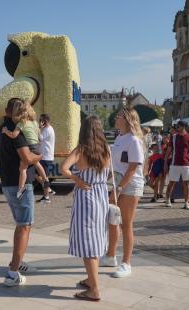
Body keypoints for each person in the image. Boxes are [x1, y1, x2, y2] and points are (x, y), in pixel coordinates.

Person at [60, 116, 110, 302]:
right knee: (96, 238)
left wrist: (77, 179)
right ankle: (91, 280)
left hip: (86, 195)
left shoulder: (81, 150)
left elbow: (63, 168)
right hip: (101, 195)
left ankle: (94, 289)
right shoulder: (106, 150)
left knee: (87, 241)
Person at [0, 98, 42, 287]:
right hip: (20, 184)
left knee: (22, 224)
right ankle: (12, 273)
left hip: (8, 182)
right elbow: (27, 157)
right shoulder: (18, 130)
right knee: (24, 226)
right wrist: (40, 155)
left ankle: (18, 263)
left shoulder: (2, 128)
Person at [102, 106, 145, 278]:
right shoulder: (120, 137)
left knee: (126, 224)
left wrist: (118, 189)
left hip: (129, 185)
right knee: (113, 220)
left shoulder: (133, 140)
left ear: (127, 119)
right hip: (116, 184)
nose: (116, 117)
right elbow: (116, 165)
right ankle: (111, 255)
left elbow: (133, 168)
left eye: (119, 115)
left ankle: (126, 263)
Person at [2, 100, 49, 199]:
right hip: (37, 147)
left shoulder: (21, 123)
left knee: (22, 168)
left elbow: (14, 135)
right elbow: (39, 136)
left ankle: (21, 189)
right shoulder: (34, 122)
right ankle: (45, 180)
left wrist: (6, 131)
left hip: (31, 148)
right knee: (37, 164)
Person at [164, 121, 189, 210]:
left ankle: (186, 202)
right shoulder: (173, 137)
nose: (176, 128)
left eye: (178, 126)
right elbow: (168, 151)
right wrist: (165, 163)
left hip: (186, 164)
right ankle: (167, 199)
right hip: (174, 164)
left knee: (186, 184)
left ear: (183, 127)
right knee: (171, 182)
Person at [36, 113, 56, 203]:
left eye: (41, 121)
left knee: (44, 177)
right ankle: (49, 190)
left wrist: (39, 128)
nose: (39, 122)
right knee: (38, 175)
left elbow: (39, 139)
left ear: (45, 121)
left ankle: (46, 197)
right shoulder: (47, 129)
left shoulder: (47, 130)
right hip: (45, 156)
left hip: (46, 157)